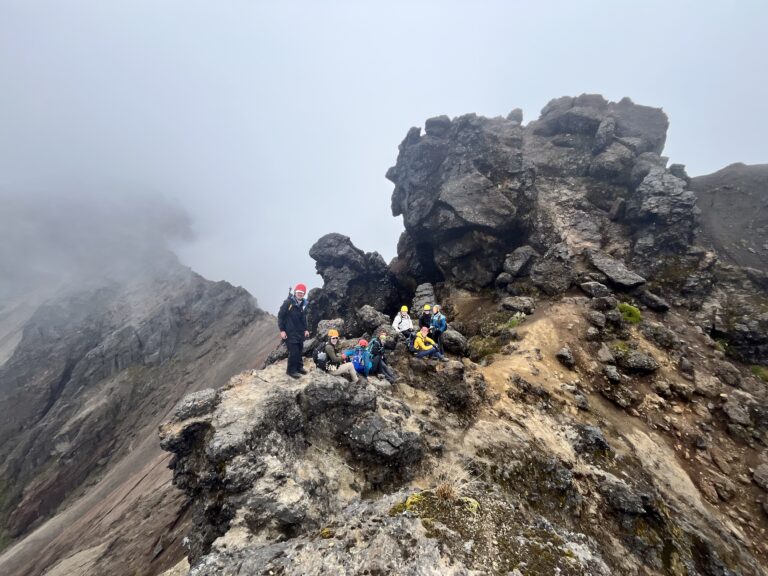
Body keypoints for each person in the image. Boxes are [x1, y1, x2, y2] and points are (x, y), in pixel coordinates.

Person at [277, 283, 310, 379]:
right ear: (295, 292)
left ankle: (299, 368)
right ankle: (291, 371)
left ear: (304, 294)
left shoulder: (303, 304)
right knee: (294, 352)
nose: (300, 294)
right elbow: (280, 316)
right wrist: (282, 330)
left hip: (299, 332)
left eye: (302, 293)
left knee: (300, 350)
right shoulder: (288, 303)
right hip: (290, 332)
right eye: (298, 292)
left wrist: (306, 329)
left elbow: (303, 318)